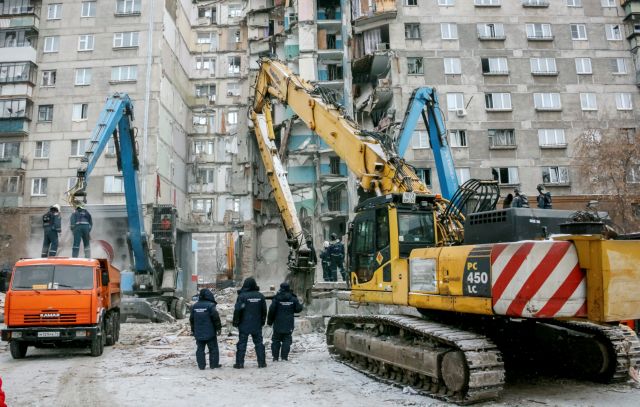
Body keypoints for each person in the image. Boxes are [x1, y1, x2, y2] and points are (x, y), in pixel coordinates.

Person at [232, 277, 267, 368]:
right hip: (256, 324)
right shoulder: (260, 296)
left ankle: (239, 363)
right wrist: (262, 321)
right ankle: (262, 363)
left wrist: (236, 322)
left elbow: (237, 310)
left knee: (242, 344)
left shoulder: (242, 296)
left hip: (244, 324)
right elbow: (264, 311)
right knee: (259, 343)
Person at [267, 282, 303, 362]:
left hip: (278, 323)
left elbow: (271, 310)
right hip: (289, 323)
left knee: (276, 340)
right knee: (287, 340)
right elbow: (298, 309)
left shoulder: (276, 298)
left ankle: (275, 358)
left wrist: (269, 321)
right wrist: (301, 304)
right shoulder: (293, 298)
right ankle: (284, 357)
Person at [190, 288, 222, 370]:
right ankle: (214, 365)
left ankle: (201, 366)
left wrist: (193, 330)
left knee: (200, 349)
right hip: (210, 332)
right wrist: (218, 328)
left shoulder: (195, 306)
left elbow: (191, 319)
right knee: (213, 348)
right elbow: (216, 318)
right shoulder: (211, 305)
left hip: (199, 332)